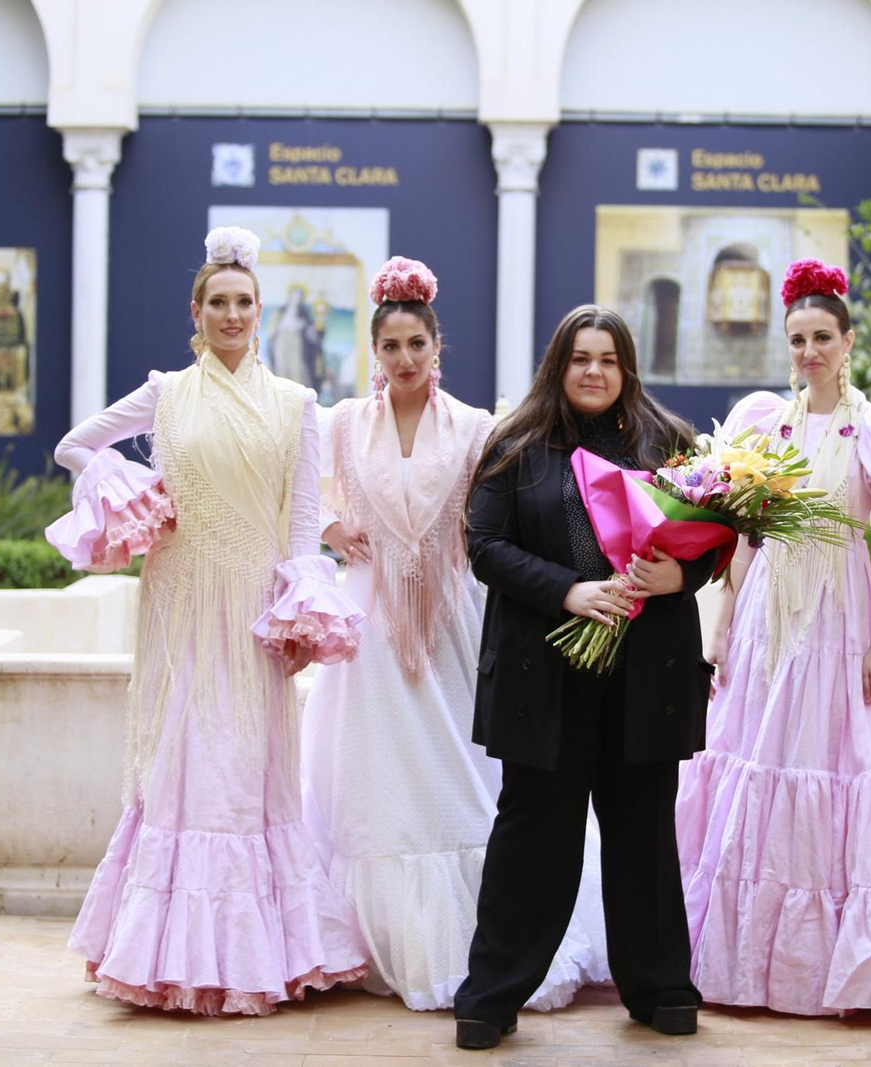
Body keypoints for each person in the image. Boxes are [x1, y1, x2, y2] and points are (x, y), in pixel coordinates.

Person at [53, 226, 369, 1015]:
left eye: (244, 302)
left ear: (261, 311)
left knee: (245, 770)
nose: (231, 314)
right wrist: (124, 488)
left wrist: (299, 606)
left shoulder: (298, 404)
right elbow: (71, 445)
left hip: (255, 610)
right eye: (217, 302)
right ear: (196, 311)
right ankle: (163, 954)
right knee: (180, 762)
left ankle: (265, 953)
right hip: (179, 600)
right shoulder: (164, 393)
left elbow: (302, 522)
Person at [302, 256, 609, 1011]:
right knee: (378, 787)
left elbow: (514, 515)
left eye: (417, 345)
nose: (404, 359)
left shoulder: (478, 428)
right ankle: (390, 942)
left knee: (471, 779)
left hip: (457, 626)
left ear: (438, 348)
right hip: (370, 632)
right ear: (373, 354)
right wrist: (331, 525)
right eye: (390, 347)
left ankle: (494, 943)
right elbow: (291, 491)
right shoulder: (340, 424)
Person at [674, 259, 871, 1015]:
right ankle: (736, 964)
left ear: (848, 339)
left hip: (836, 607)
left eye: (821, 337)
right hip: (769, 610)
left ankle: (837, 964)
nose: (808, 351)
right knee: (753, 758)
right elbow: (745, 538)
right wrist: (725, 626)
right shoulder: (766, 421)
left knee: (833, 763)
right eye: (797, 338)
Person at [452, 305, 714, 1050]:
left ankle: (663, 988)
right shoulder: (516, 444)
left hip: (645, 670)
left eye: (607, 357)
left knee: (643, 834)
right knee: (534, 835)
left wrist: (681, 574)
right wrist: (571, 591)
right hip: (545, 672)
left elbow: (713, 538)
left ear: (627, 368)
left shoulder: (671, 444)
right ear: (558, 366)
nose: (593, 370)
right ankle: (491, 997)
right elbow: (485, 545)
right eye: (579, 357)